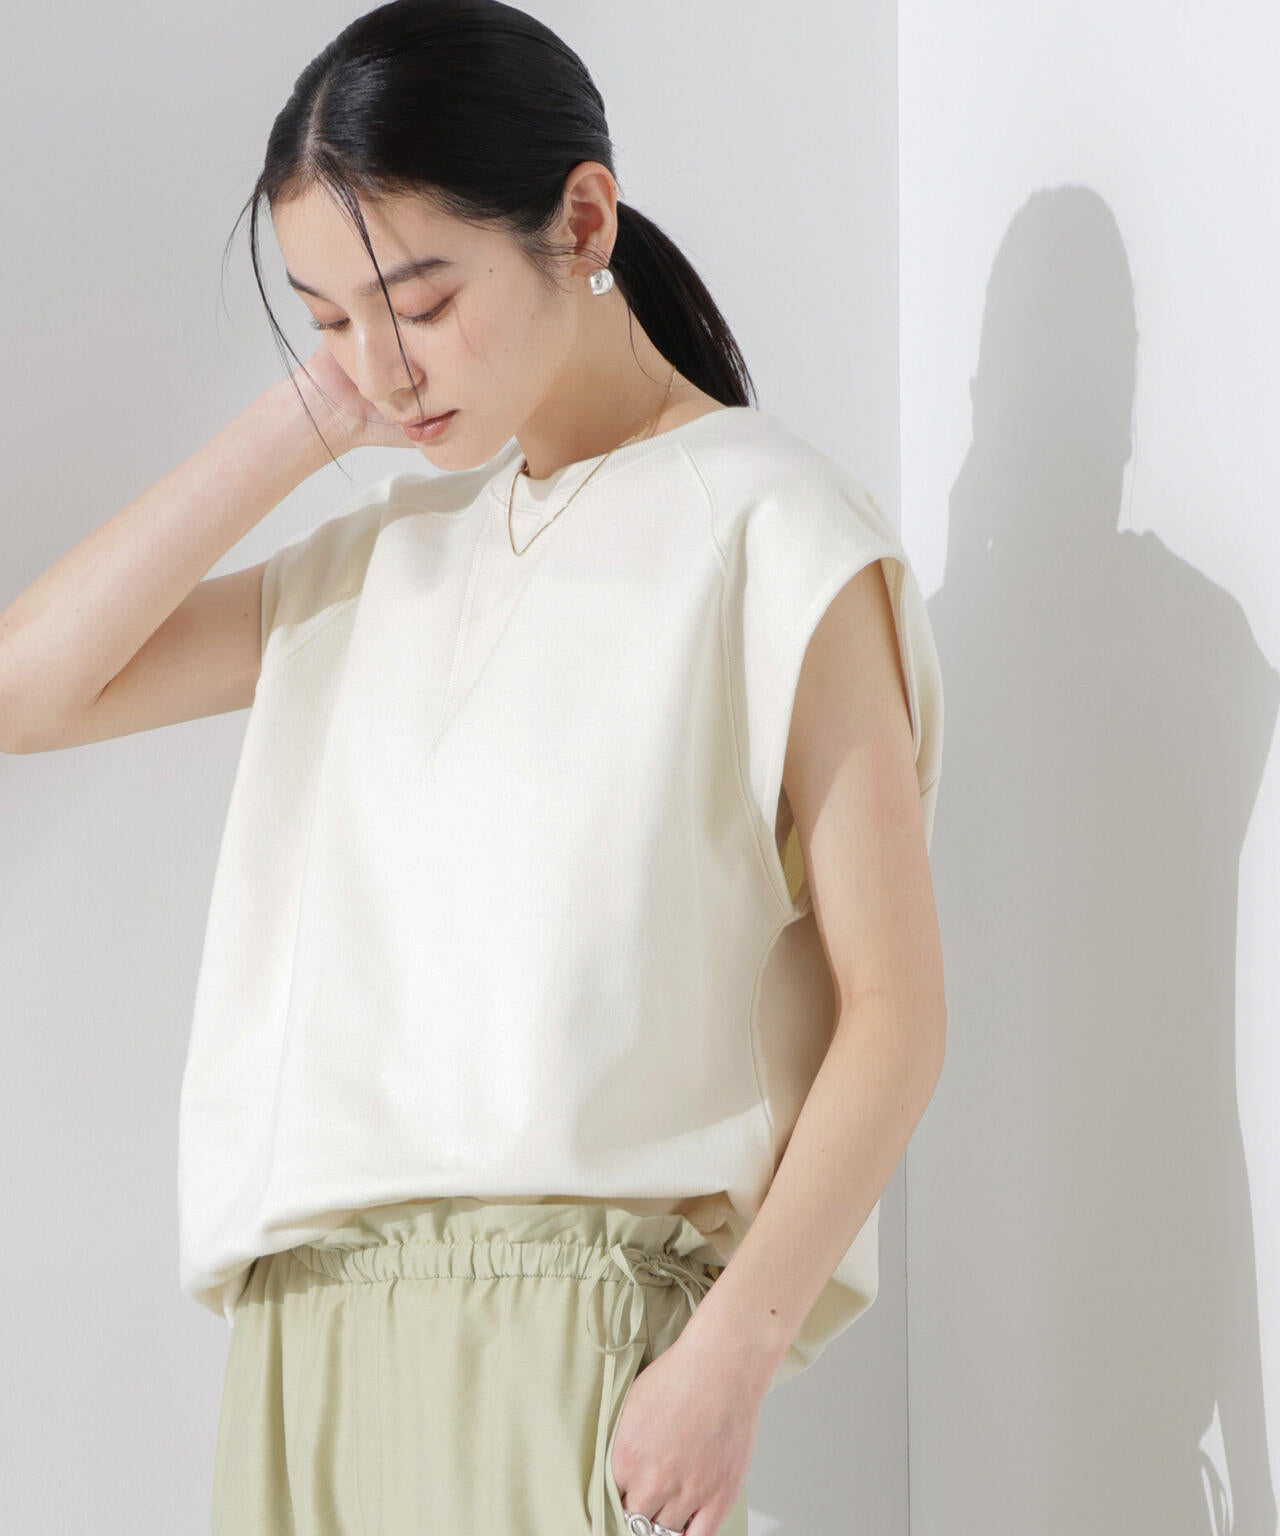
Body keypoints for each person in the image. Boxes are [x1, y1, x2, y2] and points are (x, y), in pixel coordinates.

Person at [0, 2, 947, 1532]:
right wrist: (312, 413)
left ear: (584, 219)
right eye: (326, 319)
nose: (384, 367)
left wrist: (730, 1357)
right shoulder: (380, 563)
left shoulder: (773, 526)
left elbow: (894, 1009)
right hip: (305, 1343)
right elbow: (27, 691)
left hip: (573, 1337)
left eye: (421, 301)